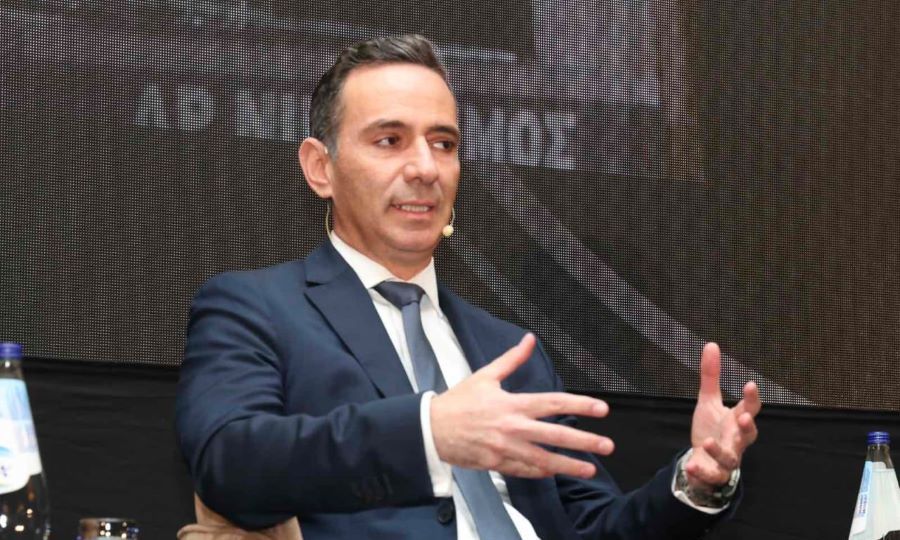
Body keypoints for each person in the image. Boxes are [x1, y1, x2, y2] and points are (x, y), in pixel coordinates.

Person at [175, 34, 761, 540]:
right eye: (389, 140)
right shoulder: (255, 307)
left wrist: (697, 481)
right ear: (320, 167)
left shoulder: (509, 348)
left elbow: (591, 525)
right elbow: (231, 465)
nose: (425, 168)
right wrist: (430, 434)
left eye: (444, 144)